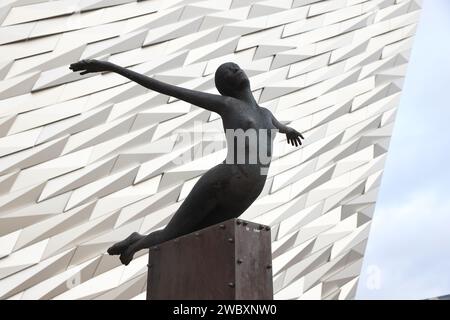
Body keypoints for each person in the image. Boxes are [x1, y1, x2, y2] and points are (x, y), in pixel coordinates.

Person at [69, 59, 304, 265]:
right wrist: (112, 68)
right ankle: (137, 244)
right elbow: (168, 88)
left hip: (248, 192)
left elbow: (278, 127)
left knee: (194, 236)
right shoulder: (227, 105)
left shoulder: (266, 113)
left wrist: (289, 130)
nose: (234, 69)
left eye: (235, 67)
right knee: (173, 235)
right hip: (223, 182)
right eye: (228, 72)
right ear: (225, 88)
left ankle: (138, 241)